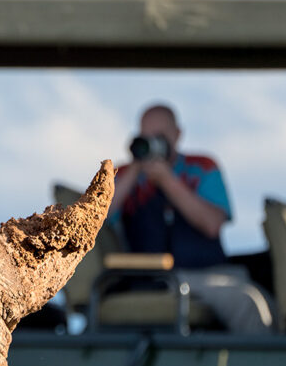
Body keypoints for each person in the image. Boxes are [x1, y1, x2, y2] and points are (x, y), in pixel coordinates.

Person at [108, 103, 273, 334]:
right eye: (146, 137)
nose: (153, 143)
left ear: (177, 135)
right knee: (245, 303)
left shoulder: (201, 167)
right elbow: (96, 221)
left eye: (160, 137)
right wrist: (136, 168)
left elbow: (212, 225)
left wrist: (168, 181)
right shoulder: (124, 175)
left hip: (210, 271)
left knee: (268, 296)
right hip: (156, 278)